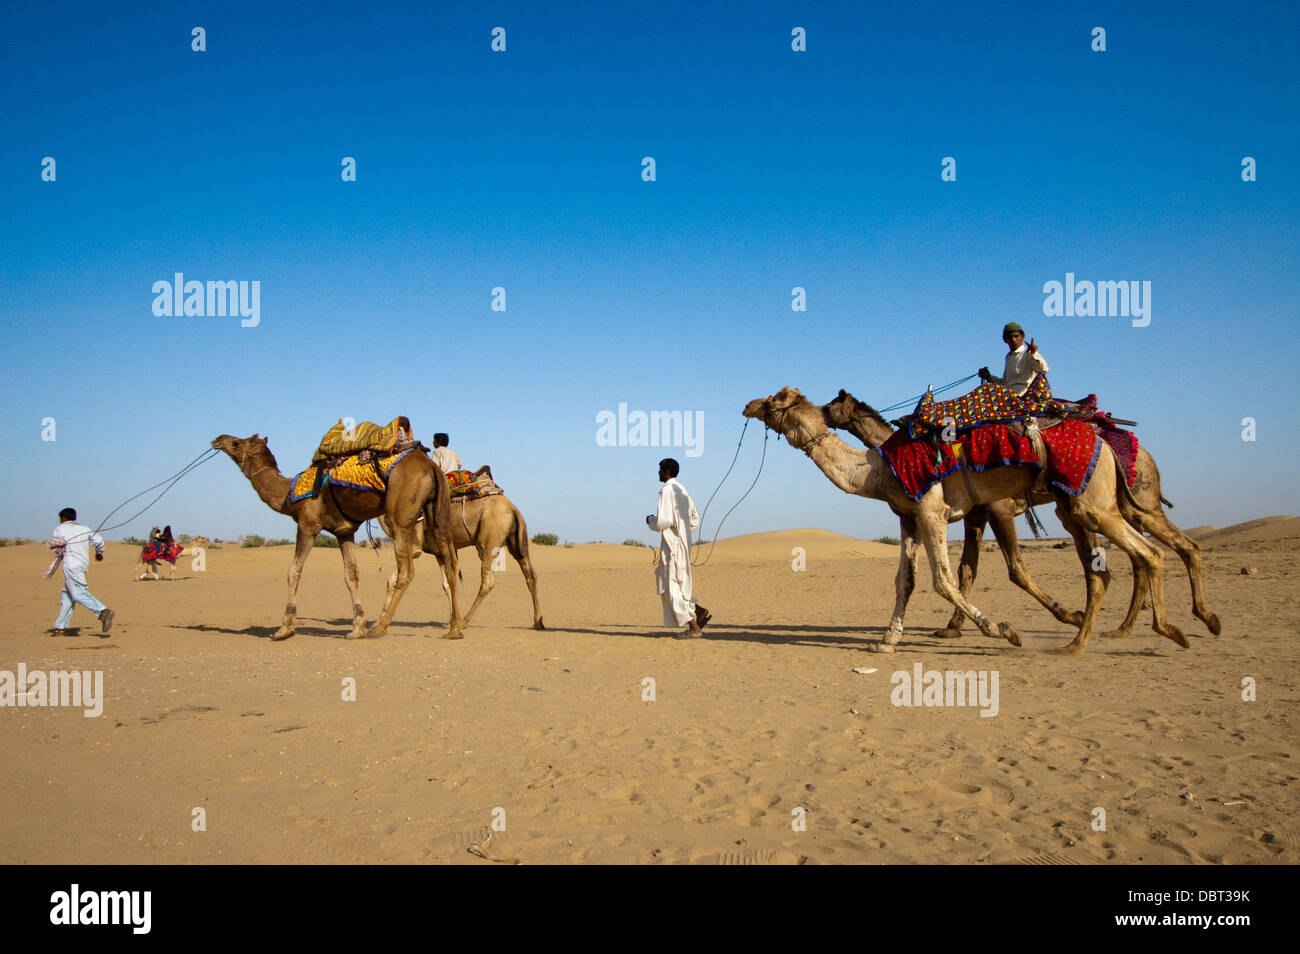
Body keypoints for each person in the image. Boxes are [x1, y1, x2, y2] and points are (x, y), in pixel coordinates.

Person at [645, 458, 711, 638]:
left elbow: (663, 521)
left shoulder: (667, 490)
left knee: (670, 585)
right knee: (679, 582)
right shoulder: (683, 490)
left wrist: (651, 520)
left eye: (660, 469)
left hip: (672, 546)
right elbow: (694, 519)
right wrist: (682, 531)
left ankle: (693, 627)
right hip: (683, 544)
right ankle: (698, 610)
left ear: (667, 472)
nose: (658, 473)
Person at [49, 507, 114, 635]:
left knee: (78, 592)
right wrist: (99, 553)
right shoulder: (85, 529)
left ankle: (102, 611)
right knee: (68, 595)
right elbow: (99, 541)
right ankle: (60, 627)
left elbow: (57, 544)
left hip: (71, 564)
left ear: (62, 518)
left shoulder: (60, 528)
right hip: (82, 564)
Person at [978, 322, 1049, 396]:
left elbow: (1044, 369)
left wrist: (1034, 353)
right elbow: (1005, 384)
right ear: (1005, 340)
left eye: (1016, 336)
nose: (1013, 340)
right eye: (1010, 337)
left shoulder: (1028, 353)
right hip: (1009, 396)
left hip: (1024, 396)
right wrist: (988, 376)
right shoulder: (1008, 357)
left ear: (1023, 336)